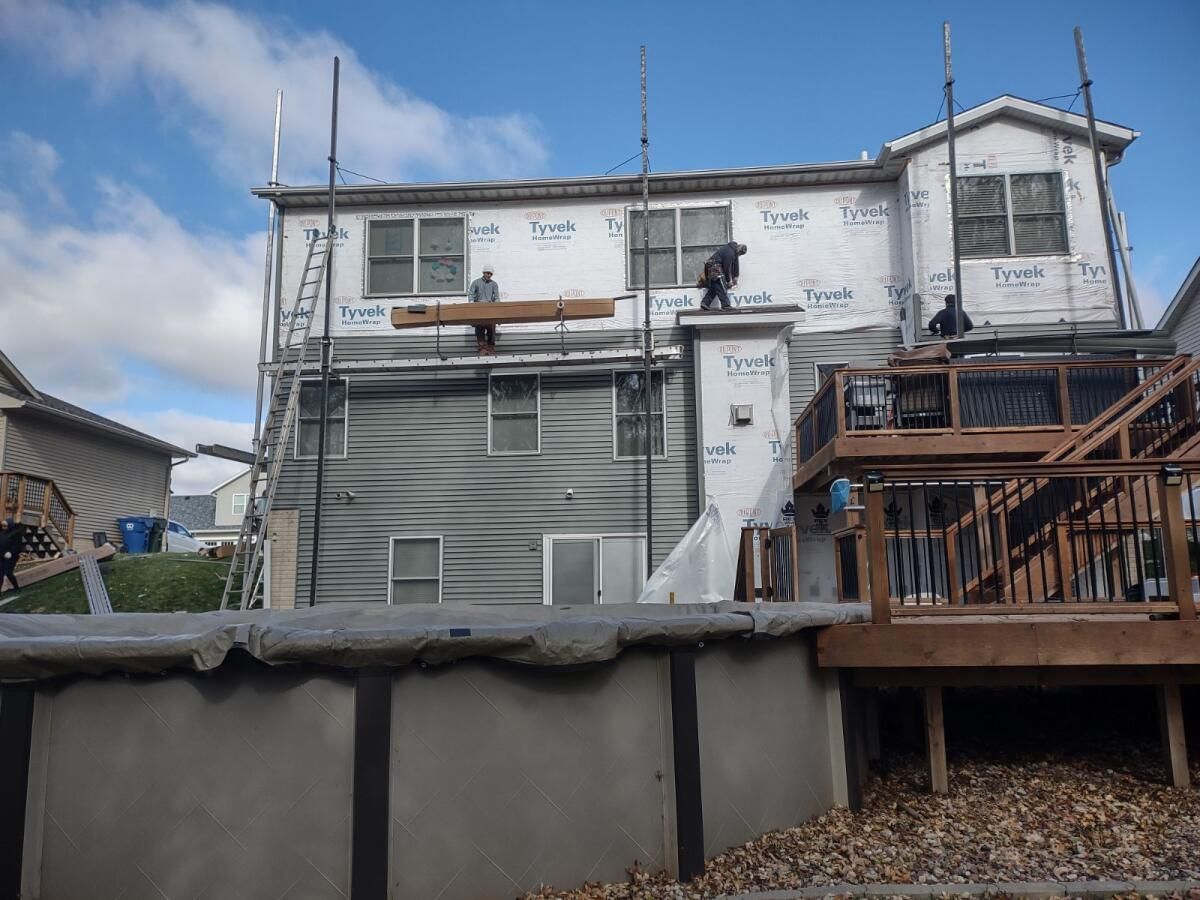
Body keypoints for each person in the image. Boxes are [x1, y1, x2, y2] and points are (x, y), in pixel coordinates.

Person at [700, 242, 748, 311]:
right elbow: (727, 268)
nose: (739, 255)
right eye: (740, 254)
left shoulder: (734, 250)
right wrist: (728, 281)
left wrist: (736, 277)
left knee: (716, 286)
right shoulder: (730, 253)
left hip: (713, 265)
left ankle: (705, 302)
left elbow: (735, 265)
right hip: (714, 266)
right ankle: (726, 305)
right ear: (738, 250)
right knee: (721, 285)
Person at [468, 264, 500, 355]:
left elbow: (496, 297)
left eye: (491, 274)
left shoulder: (494, 284)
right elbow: (471, 294)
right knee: (479, 328)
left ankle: (490, 348)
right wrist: (471, 304)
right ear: (483, 272)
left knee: (491, 328)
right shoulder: (476, 282)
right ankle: (482, 348)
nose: (489, 275)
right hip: (479, 308)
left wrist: (498, 310)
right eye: (487, 273)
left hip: (490, 308)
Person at [0, 518, 24, 594]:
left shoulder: (16, 534)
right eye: (2, 526)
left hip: (11, 557)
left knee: (8, 572)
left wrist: (10, 552)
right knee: (0, 574)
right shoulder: (2, 533)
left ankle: (16, 588)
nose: (3, 527)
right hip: (2, 556)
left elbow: (17, 546)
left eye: (5, 526)